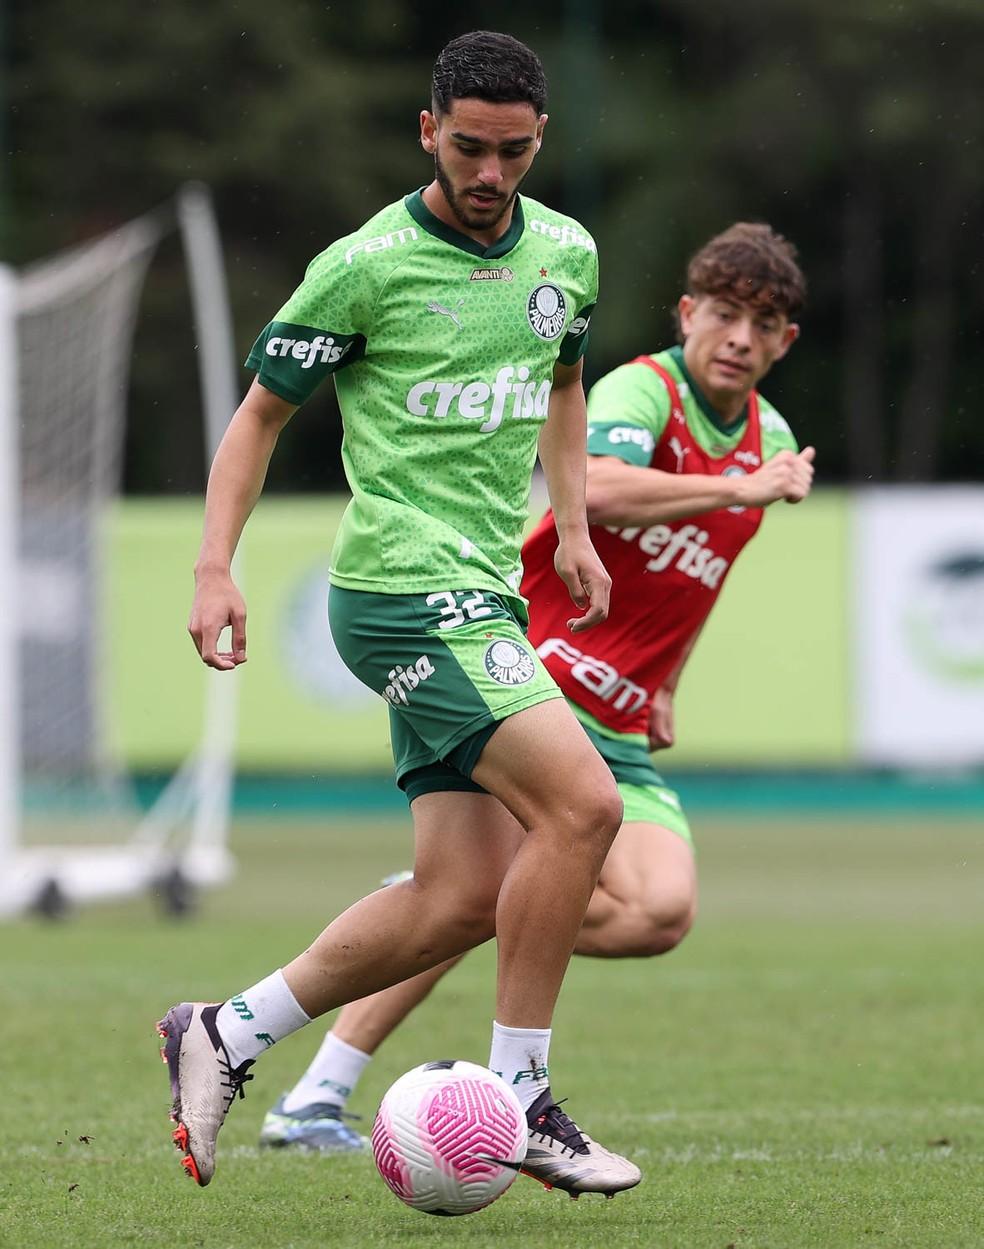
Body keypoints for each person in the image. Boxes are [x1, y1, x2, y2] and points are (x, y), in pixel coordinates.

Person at [158, 30, 643, 1197]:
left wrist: (571, 524)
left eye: (513, 152)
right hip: (397, 589)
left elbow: (564, 387)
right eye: (468, 148)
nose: (489, 174)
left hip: (485, 590)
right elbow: (260, 417)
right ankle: (520, 1095)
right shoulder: (363, 265)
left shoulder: (567, 256)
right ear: (428, 132)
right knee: (583, 807)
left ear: (540, 144)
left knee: (461, 898)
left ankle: (223, 1033)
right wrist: (212, 567)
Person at [256, 221, 816, 1159]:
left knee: (656, 911)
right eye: (723, 314)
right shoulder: (648, 390)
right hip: (532, 672)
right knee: (506, 884)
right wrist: (736, 490)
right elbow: (591, 487)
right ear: (688, 315)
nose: (739, 338)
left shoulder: (769, 441)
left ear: (785, 341)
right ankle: (316, 1092)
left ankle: (465, 895)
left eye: (763, 324)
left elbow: (694, 578)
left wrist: (666, 679)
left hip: (622, 715)